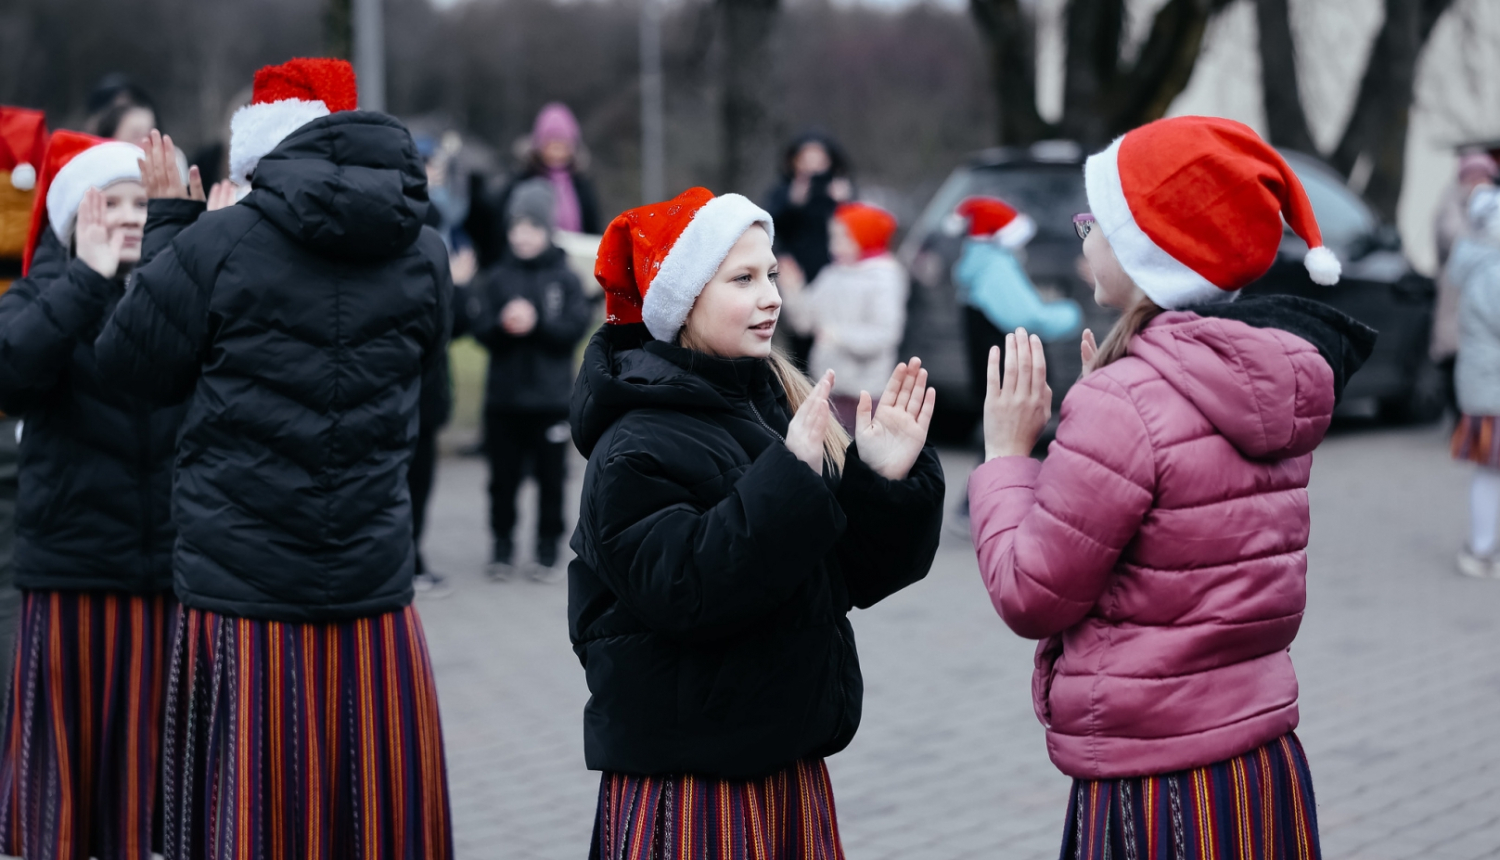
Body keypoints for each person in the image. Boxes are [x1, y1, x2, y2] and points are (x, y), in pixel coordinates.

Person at [970, 117, 1375, 859]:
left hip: (1156, 782)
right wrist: (1101, 416)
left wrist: (1006, 457)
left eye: (1095, 218)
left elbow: (1031, 593)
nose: (1083, 234)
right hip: (1258, 761)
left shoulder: (1125, 404)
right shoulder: (1269, 379)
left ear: (1143, 248)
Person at [92, 59, 454, 858]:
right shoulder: (423, 250)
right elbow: (436, 410)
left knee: (250, 819)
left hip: (241, 592)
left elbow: (127, 367)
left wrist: (168, 226)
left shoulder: (219, 239)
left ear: (258, 150)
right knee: (375, 820)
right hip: (371, 586)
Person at [571, 186, 944, 859]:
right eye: (742, 278)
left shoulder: (771, 403)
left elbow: (844, 574)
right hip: (693, 787)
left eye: (771, 274)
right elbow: (687, 589)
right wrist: (791, 480)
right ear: (683, 302)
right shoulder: (634, 444)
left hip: (784, 761)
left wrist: (881, 480)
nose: (771, 295)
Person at [0, 131, 187, 860]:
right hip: (76, 576)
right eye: (114, 202)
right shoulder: (46, 287)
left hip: (170, 576)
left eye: (144, 202)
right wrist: (86, 278)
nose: (132, 216)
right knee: (73, 798)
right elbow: (13, 372)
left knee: (159, 793)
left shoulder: (177, 281)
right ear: (78, 212)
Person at [469, 178, 590, 581]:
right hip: (503, 401)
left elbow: (573, 330)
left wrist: (537, 323)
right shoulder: (497, 277)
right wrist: (503, 325)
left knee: (551, 481)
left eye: (531, 228)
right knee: (502, 480)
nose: (522, 236)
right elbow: (480, 329)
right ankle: (501, 547)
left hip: (550, 400)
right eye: (515, 227)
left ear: (547, 229)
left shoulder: (565, 278)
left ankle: (547, 549)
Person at [780, 201, 907, 432]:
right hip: (827, 385)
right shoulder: (832, 273)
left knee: (856, 457)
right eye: (833, 236)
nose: (834, 244)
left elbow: (886, 333)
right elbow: (804, 322)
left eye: (842, 237)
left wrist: (838, 336)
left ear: (863, 237)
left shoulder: (884, 278)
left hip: (864, 392)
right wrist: (792, 288)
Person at [952, 195, 1081, 407]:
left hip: (993, 378)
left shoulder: (977, 265)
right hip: (1012, 382)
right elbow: (1027, 317)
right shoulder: (996, 268)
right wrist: (1069, 314)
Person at [465, 102, 602, 269]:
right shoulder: (520, 180)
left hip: (572, 267)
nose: (557, 149)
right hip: (523, 265)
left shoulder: (582, 185)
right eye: (551, 141)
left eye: (563, 142)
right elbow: (497, 224)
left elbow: (592, 228)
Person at [764, 133, 854, 371]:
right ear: (794, 161)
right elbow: (770, 227)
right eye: (806, 157)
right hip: (796, 272)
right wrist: (792, 202)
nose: (812, 163)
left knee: (829, 334)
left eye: (819, 157)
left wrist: (844, 202)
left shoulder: (840, 188)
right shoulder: (785, 190)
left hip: (834, 273)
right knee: (798, 335)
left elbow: (857, 229)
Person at [1446, 184, 1500, 578]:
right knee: (1489, 470)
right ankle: (1481, 551)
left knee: (1490, 470)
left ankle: (1483, 550)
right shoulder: (1492, 269)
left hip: (1485, 386)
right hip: (1491, 388)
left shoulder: (1479, 264)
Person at [1433, 152, 1500, 416]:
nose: (1477, 181)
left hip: (1481, 286)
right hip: (1456, 294)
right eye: (1472, 175)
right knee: (1456, 352)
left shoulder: (1491, 204)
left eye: (1483, 175)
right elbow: (1450, 237)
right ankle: (1463, 419)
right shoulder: (1453, 203)